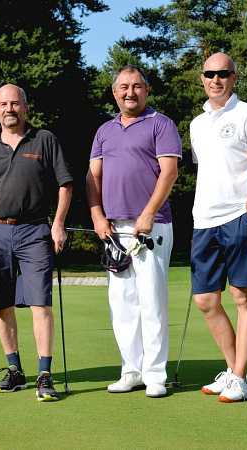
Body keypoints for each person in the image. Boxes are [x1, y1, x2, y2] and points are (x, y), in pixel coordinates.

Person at [0, 84, 73, 402]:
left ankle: (44, 374)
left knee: (40, 303)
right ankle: (15, 371)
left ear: (25, 107)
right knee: (2, 304)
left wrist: (58, 224)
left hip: (34, 231)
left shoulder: (44, 140)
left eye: (15, 103)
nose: (9, 109)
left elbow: (65, 184)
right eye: (3, 104)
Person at [86, 65, 182, 398]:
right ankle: (132, 369)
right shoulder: (104, 130)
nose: (131, 92)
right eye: (124, 87)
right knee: (123, 302)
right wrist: (97, 216)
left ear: (147, 90)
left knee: (152, 300)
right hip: (115, 229)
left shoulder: (161, 124)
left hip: (151, 226)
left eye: (137, 86)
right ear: (114, 92)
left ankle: (155, 375)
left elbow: (169, 173)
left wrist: (148, 213)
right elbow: (93, 178)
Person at [190, 52, 247, 402]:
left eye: (223, 73)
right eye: (210, 73)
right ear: (202, 78)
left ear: (234, 77)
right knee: (205, 300)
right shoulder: (197, 124)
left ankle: (240, 378)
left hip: (237, 218)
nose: (216, 79)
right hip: (203, 221)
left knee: (242, 298)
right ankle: (232, 369)